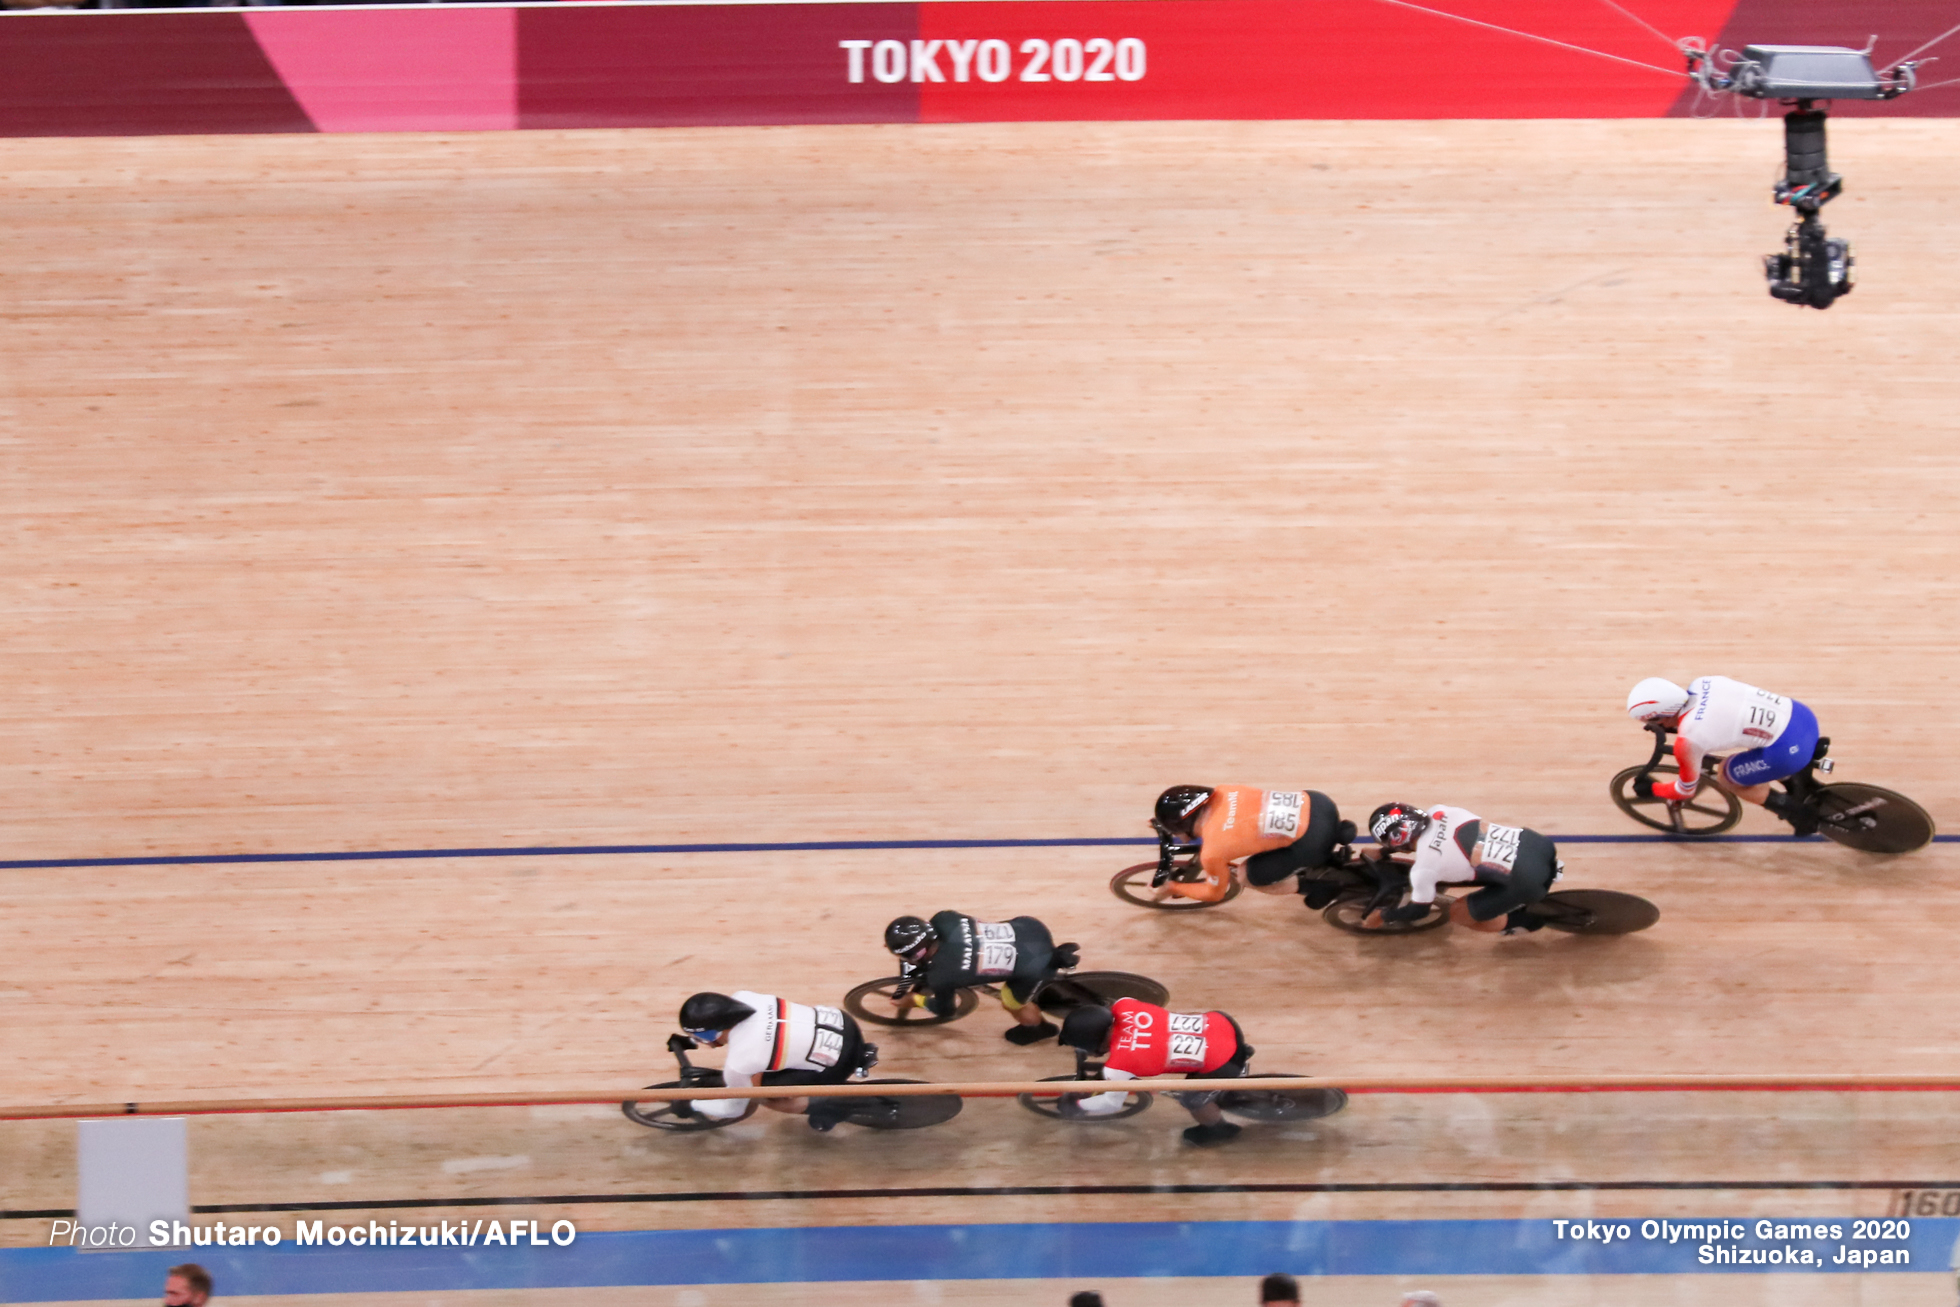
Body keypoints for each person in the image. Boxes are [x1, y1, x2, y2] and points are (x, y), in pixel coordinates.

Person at [1625, 675, 1822, 831]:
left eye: (1649, 721)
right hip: (1802, 716)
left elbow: (1685, 790)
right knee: (1755, 740)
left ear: (1661, 717)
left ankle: (1797, 813)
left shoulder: (1689, 739)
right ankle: (1797, 781)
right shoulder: (1704, 682)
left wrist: (1653, 789)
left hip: (1788, 750)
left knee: (1728, 775)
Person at [1057, 996, 1253, 1146]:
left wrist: (1078, 1105)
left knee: (1192, 1099)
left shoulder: (1119, 1065)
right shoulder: (1124, 1004)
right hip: (1221, 1022)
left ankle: (1218, 1129)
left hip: (1223, 1060)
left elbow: (1111, 1104)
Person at [675, 991, 878, 1132]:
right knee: (765, 1067)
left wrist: (693, 1104)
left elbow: (734, 1109)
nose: (699, 1042)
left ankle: (832, 1108)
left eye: (699, 1038)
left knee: (764, 1095)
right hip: (843, 1022)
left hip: (840, 1060)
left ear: (713, 1033)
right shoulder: (743, 997)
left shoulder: (740, 1062)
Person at [1362, 802, 1560, 934]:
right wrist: (1385, 853)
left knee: (1459, 913)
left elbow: (1418, 912)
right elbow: (1436, 842)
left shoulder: (1423, 870)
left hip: (1528, 881)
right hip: (1537, 843)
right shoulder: (1440, 810)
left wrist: (1382, 916)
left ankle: (1524, 922)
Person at [883, 911, 1078, 1044]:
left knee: (1010, 1002)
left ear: (916, 955)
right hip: (1030, 927)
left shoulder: (942, 976)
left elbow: (946, 1010)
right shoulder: (944, 918)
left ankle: (1038, 1028)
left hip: (1036, 966)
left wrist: (915, 999)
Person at [1152, 785, 1353, 905]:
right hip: (1319, 803)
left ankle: (1317, 887)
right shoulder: (1224, 790)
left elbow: (1214, 893)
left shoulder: (1212, 851)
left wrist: (1173, 887)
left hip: (1313, 841)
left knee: (1246, 876)